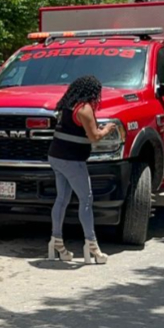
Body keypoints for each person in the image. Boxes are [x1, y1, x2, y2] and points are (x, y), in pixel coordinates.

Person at [48, 75, 117, 265]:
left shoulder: (66, 105)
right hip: (72, 160)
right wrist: (107, 129)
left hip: (55, 156)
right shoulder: (85, 109)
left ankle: (57, 242)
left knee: (62, 199)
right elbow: (94, 136)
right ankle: (92, 246)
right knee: (86, 200)